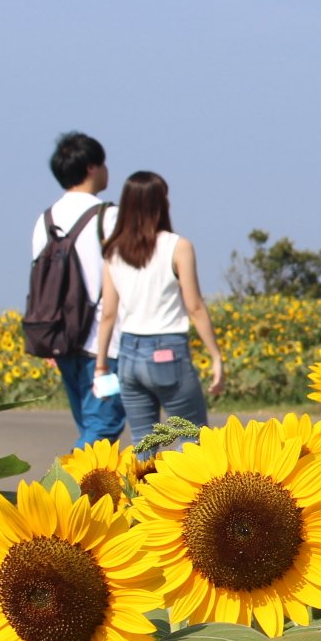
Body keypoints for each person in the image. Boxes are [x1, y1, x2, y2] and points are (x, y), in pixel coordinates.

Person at [94, 171, 225, 445]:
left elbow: (108, 314)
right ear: (161, 203)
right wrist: (215, 356)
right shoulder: (178, 247)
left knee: (144, 442)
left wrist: (101, 365)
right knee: (193, 439)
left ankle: (141, 489)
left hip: (128, 355)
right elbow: (195, 307)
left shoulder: (114, 250)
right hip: (168, 351)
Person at [32, 132, 126, 447]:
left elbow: (40, 285)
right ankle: (67, 489)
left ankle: (81, 490)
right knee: (103, 426)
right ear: (91, 167)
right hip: (104, 345)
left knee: (89, 424)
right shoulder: (109, 217)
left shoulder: (44, 220)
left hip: (62, 342)